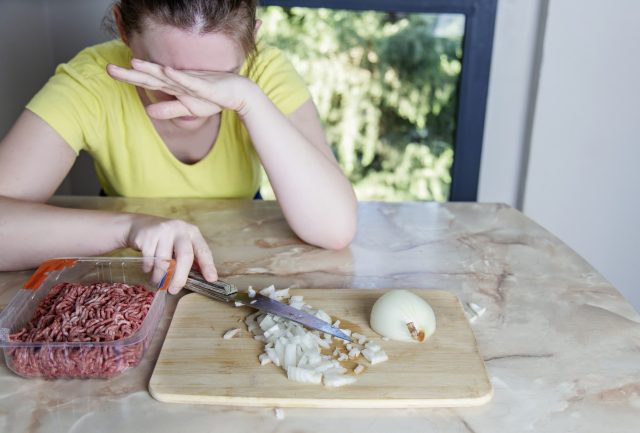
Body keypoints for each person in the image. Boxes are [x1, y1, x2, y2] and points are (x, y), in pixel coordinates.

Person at [0, 0, 357, 293]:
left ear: (253, 41)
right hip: (133, 247)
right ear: (124, 29)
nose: (190, 98)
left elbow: (335, 228)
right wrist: (127, 228)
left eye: (218, 76)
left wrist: (247, 99)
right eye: (163, 74)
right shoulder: (91, 81)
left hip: (245, 238)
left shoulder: (264, 72)